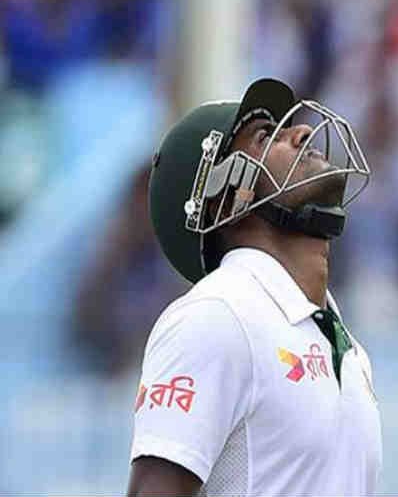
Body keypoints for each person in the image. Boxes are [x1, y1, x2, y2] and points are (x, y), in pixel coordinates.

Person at [126, 78, 381, 496]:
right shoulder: (215, 316)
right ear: (226, 196)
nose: (301, 131)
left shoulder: (346, 347)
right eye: (266, 137)